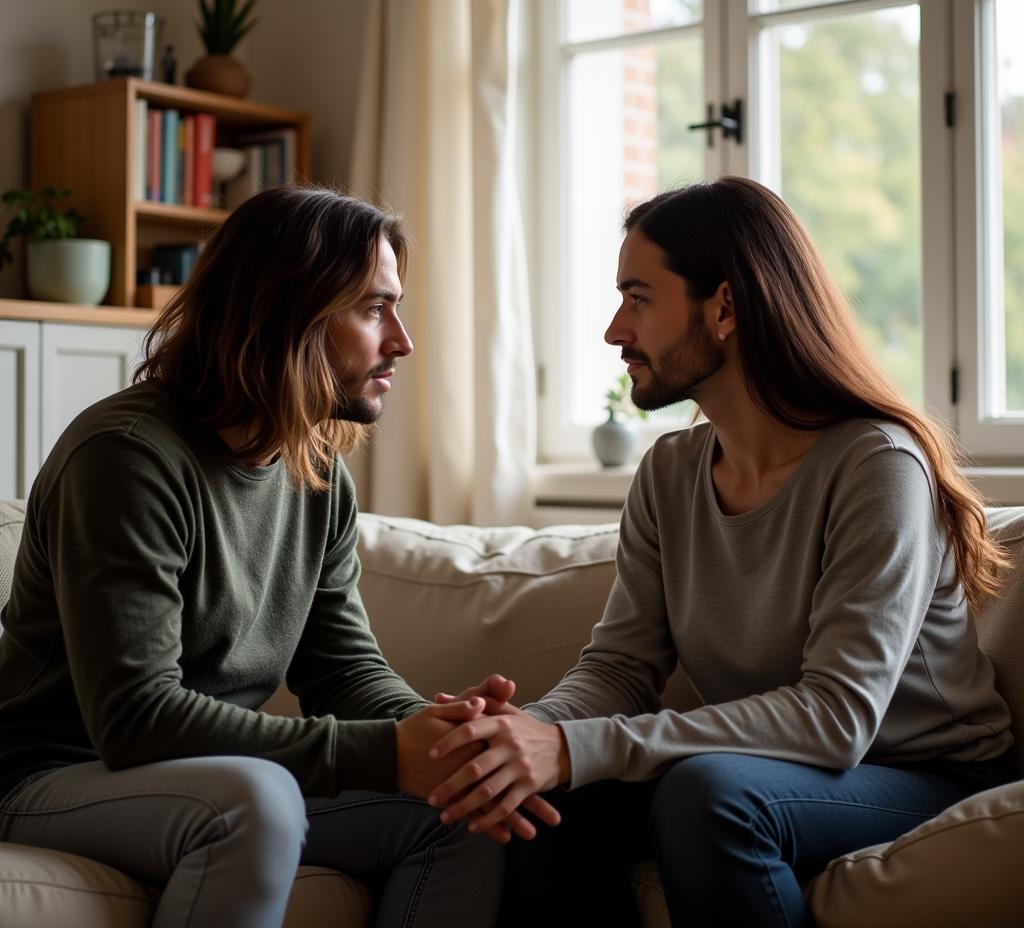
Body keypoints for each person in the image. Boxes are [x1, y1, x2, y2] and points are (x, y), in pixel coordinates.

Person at [425, 176, 1017, 927]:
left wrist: (579, 746)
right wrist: (524, 738)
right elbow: (620, 668)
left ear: (726, 307)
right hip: (777, 771)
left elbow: (836, 717)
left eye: (638, 298)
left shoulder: (877, 466)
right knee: (544, 801)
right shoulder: (670, 473)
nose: (614, 330)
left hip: (923, 772)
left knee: (709, 795)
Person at [0, 186, 554, 928]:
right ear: (288, 314)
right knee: (253, 802)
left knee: (454, 810)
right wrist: (388, 753)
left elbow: (342, 668)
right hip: (53, 775)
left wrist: (444, 737)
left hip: (200, 776)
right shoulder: (126, 459)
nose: (402, 341)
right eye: (373, 309)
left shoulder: (316, 474)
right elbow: (135, 718)